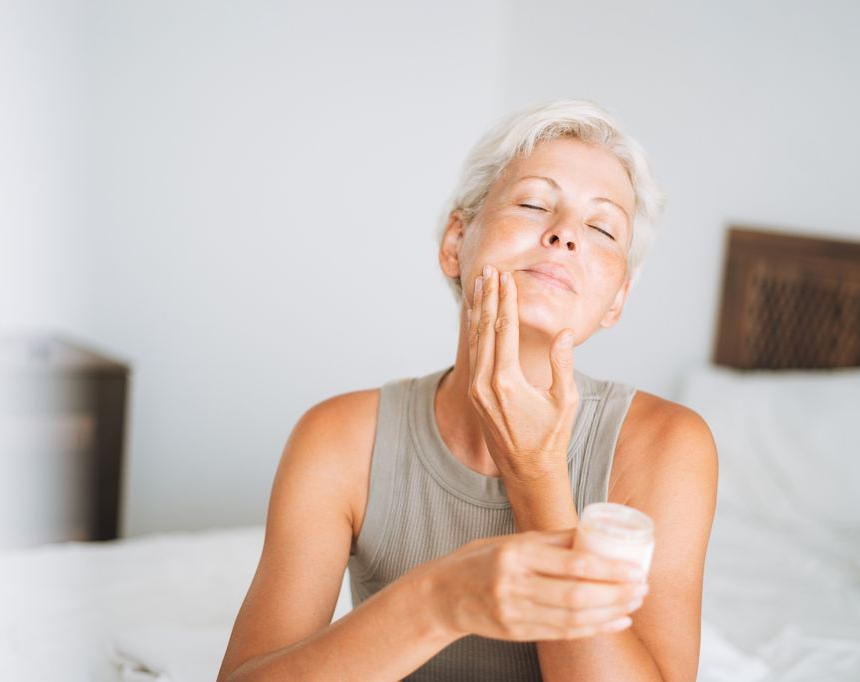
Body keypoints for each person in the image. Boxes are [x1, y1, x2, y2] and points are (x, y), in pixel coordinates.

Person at [216, 99, 718, 681]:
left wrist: (537, 477)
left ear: (618, 300)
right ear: (457, 241)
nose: (564, 235)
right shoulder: (338, 439)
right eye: (534, 204)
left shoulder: (667, 447)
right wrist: (441, 599)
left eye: (602, 228)